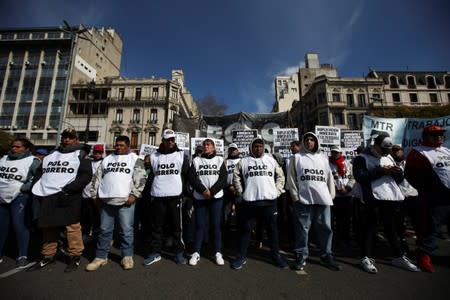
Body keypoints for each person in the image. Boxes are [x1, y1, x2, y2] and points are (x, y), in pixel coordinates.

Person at [353, 133, 419, 274]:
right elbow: (360, 177)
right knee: (369, 228)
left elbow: (399, 178)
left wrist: (397, 171)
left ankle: (398, 256)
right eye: (383, 149)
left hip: (391, 198)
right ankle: (366, 257)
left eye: (387, 151)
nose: (385, 153)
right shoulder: (361, 158)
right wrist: (382, 171)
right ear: (375, 145)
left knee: (391, 229)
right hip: (373, 199)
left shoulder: (388, 157)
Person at [30, 128, 92, 273]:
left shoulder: (81, 154)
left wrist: (68, 190)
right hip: (49, 195)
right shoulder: (52, 154)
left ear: (76, 139)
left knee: (72, 227)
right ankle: (48, 255)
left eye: (70, 137)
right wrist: (37, 187)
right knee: (48, 226)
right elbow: (40, 172)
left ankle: (75, 256)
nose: (67, 140)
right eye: (65, 137)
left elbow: (85, 176)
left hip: (69, 197)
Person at [86, 135, 146, 271]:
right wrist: (95, 195)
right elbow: (97, 177)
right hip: (106, 201)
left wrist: (134, 195)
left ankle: (127, 256)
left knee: (126, 230)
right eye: (117, 145)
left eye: (121, 145)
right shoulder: (107, 159)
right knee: (104, 230)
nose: (118, 147)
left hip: (125, 201)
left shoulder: (135, 159)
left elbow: (141, 177)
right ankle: (101, 256)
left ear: (128, 146)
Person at [286, 132, 341, 272]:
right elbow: (291, 178)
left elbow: (329, 177)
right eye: (307, 139)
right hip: (303, 200)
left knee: (325, 228)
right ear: (303, 142)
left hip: (322, 199)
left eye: (312, 139)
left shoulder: (323, 158)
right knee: (302, 230)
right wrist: (295, 196)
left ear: (316, 142)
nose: (310, 142)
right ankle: (301, 255)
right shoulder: (297, 157)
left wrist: (331, 195)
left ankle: (326, 254)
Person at [231, 137, 287, 269]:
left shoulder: (271, 160)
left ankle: (276, 256)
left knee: (272, 230)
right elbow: (236, 176)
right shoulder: (243, 161)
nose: (258, 148)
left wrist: (277, 191)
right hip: (250, 202)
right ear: (252, 147)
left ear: (263, 147)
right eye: (255, 146)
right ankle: (241, 256)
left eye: (260, 146)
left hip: (269, 202)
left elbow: (281, 176)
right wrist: (240, 192)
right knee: (246, 230)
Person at [405, 125, 450, 272]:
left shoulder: (446, 150)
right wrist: (428, 190)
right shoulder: (418, 152)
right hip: (435, 198)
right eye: (435, 134)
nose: (439, 137)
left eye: (441, 134)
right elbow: (411, 175)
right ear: (426, 136)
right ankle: (424, 256)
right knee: (431, 228)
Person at [143, 129, 190, 266]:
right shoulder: (154, 156)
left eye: (172, 139)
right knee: (157, 227)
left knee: (176, 228)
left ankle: (178, 253)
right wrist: (147, 195)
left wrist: (187, 193)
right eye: (168, 139)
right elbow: (151, 177)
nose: (171, 142)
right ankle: (155, 252)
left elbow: (188, 176)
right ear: (162, 140)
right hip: (158, 196)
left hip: (175, 197)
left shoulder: (181, 155)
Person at [0, 138, 40, 268]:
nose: (14, 149)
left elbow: (39, 178)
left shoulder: (33, 161)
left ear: (27, 149)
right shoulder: (4, 158)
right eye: (13, 146)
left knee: (19, 225)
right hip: (2, 197)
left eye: (18, 147)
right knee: (2, 227)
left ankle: (22, 255)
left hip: (20, 197)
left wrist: (25, 188)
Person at [188, 138, 227, 266]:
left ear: (213, 148)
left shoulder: (220, 160)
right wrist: (203, 190)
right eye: (204, 145)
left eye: (208, 145)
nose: (206, 146)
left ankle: (217, 252)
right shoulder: (196, 160)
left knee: (216, 225)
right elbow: (192, 178)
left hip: (216, 198)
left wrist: (212, 191)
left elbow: (223, 178)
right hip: (200, 197)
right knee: (199, 225)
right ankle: (196, 252)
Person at [328, 145, 355, 246]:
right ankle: (336, 239)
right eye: (333, 152)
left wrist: (347, 188)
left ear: (340, 153)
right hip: (335, 195)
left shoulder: (348, 164)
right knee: (334, 219)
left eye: (336, 152)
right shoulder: (327, 164)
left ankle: (346, 237)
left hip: (347, 195)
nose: (334, 154)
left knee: (346, 218)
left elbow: (353, 177)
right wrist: (335, 189)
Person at [80, 144, 104, 242]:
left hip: (97, 194)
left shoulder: (104, 162)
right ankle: (86, 233)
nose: (97, 154)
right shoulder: (88, 162)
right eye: (96, 152)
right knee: (86, 215)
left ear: (102, 153)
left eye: (99, 152)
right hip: (86, 193)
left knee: (97, 216)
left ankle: (96, 234)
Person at [223, 143, 240, 244]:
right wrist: (229, 186)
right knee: (226, 214)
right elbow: (222, 176)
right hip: (227, 190)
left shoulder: (241, 161)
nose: (233, 151)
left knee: (241, 214)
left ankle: (239, 236)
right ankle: (226, 237)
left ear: (237, 151)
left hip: (238, 190)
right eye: (231, 149)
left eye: (234, 149)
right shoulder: (225, 161)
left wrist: (236, 187)